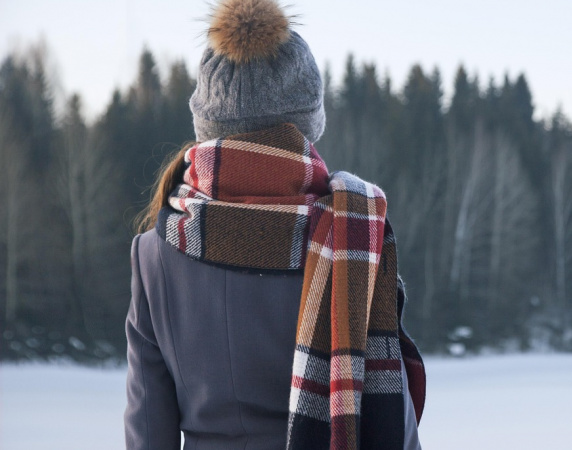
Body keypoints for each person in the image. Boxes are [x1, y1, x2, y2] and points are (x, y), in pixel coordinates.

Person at [124, 0, 426, 448]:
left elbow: (148, 431)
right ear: (308, 122)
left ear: (207, 124)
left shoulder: (154, 253)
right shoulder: (353, 237)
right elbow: (393, 427)